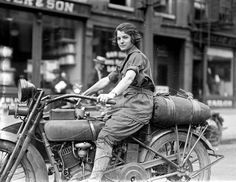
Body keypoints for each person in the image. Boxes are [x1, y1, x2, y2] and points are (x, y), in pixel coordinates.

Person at [71, 22, 155, 182]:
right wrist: (84, 94)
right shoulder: (125, 60)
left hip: (138, 107)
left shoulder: (137, 56)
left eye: (125, 37)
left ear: (133, 39)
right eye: (118, 38)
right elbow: (106, 79)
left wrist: (112, 94)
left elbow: (129, 78)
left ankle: (95, 178)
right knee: (97, 125)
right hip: (127, 104)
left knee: (105, 136)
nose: (121, 41)